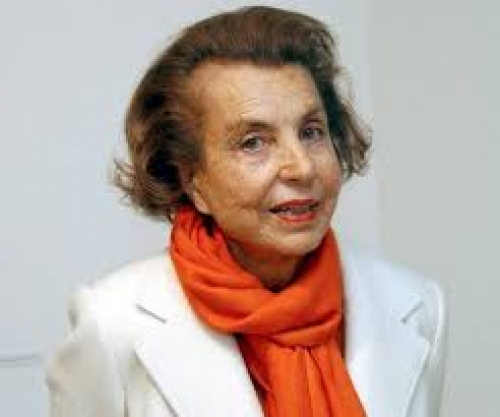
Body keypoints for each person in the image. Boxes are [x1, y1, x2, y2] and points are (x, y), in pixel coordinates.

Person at [46, 6, 447, 417]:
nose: (302, 167)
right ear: (191, 179)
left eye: (311, 132)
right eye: (253, 142)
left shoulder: (417, 305)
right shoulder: (111, 323)